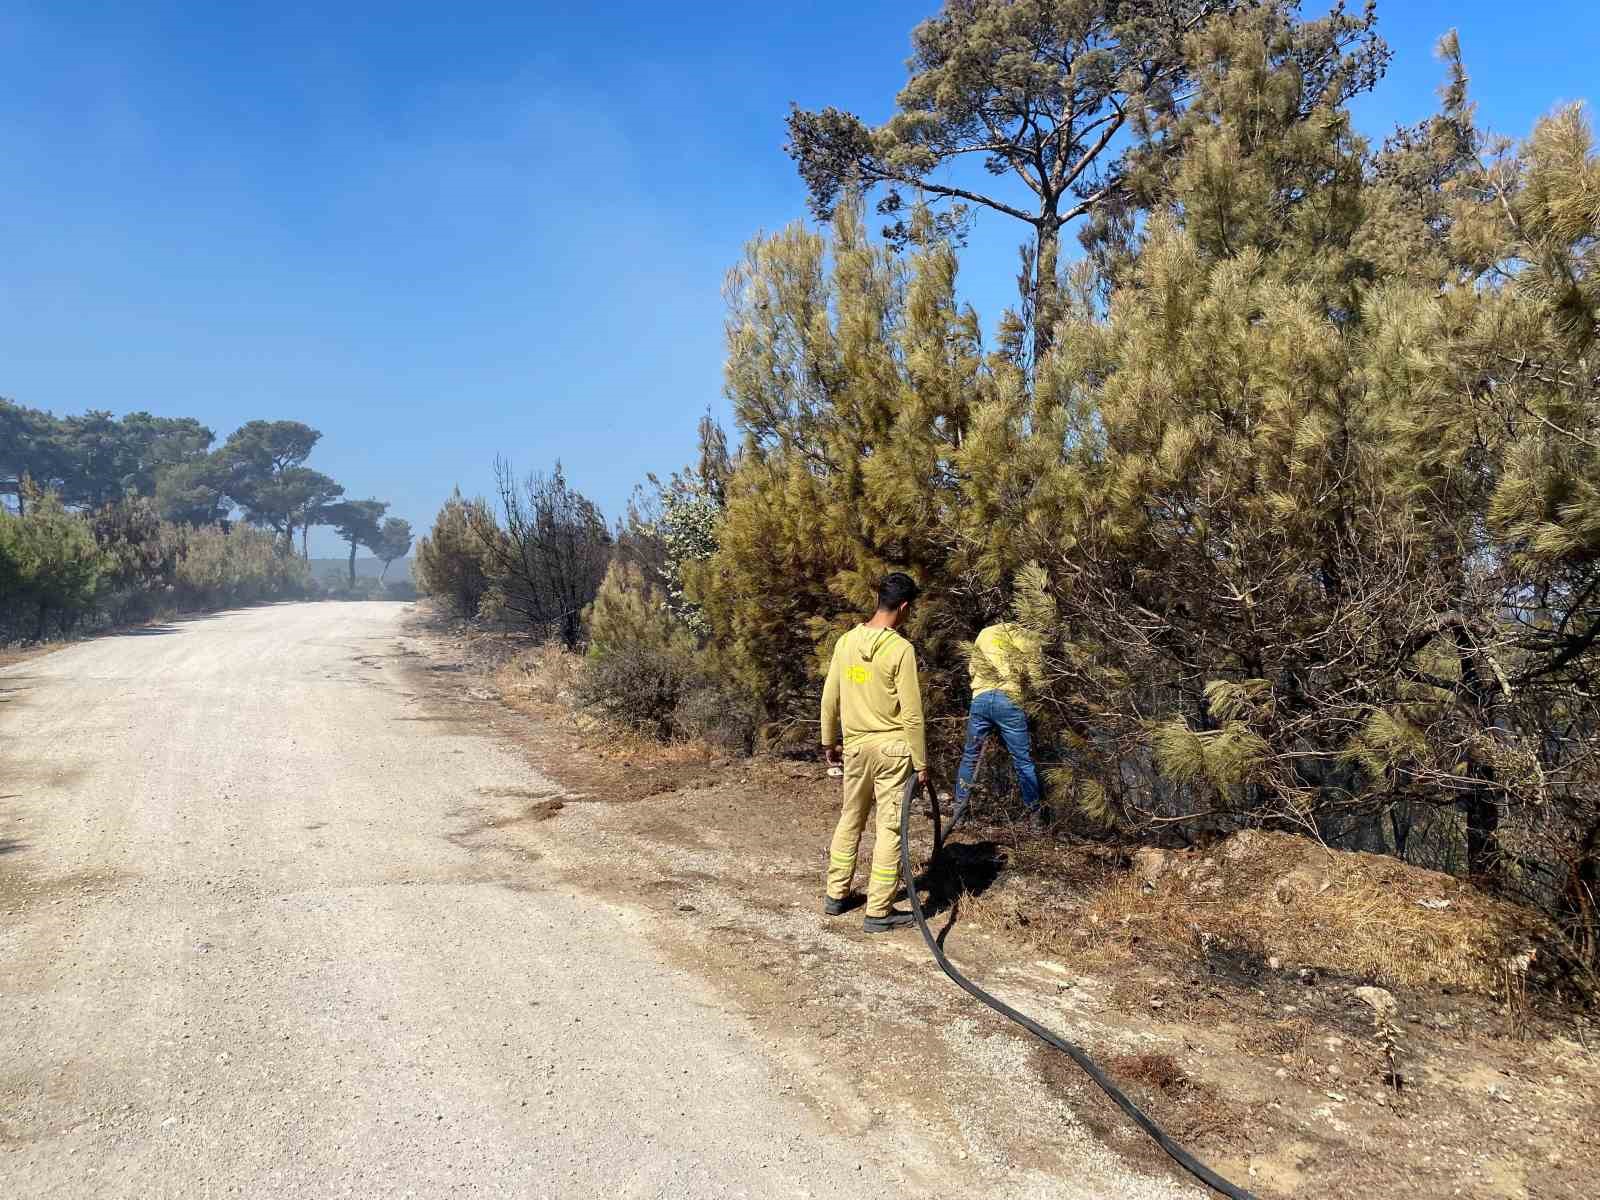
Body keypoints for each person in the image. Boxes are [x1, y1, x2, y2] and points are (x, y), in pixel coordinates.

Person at [819, 572, 928, 933]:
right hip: (893, 751)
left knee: (851, 818)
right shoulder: (901, 650)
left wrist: (827, 740)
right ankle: (878, 911)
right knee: (889, 829)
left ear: (878, 598)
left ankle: (836, 895)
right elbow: (912, 714)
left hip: (856, 747)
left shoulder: (846, 642)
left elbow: (830, 697)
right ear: (905, 607)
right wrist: (922, 762)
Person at [949, 621, 1049, 833]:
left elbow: (972, 667)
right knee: (1022, 760)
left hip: (981, 700)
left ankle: (960, 813)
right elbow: (1036, 680)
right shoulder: (1030, 636)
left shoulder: (985, 633)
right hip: (1010, 701)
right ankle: (1036, 818)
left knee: (970, 756)